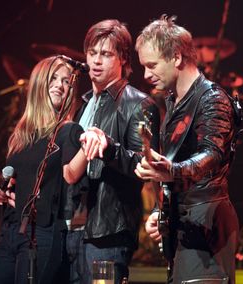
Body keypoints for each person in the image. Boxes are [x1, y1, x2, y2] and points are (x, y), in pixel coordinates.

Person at [134, 15, 240, 284]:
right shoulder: (173, 103)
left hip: (207, 225)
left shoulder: (212, 98)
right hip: (185, 224)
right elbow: (176, 167)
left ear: (177, 58)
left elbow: (212, 154)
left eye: (152, 65)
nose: (146, 74)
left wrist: (171, 172)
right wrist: (162, 211)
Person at [66, 19, 160, 284]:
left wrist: (108, 149)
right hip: (72, 231)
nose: (96, 61)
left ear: (123, 58)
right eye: (92, 53)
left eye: (106, 54)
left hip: (108, 233)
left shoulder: (139, 104)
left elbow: (145, 165)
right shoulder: (82, 105)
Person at [0, 56, 89, 284]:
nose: (60, 85)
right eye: (54, 78)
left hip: (42, 233)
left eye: (66, 82)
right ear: (40, 82)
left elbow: (71, 175)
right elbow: (12, 177)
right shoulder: (21, 135)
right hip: (10, 232)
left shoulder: (68, 131)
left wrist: (90, 147)